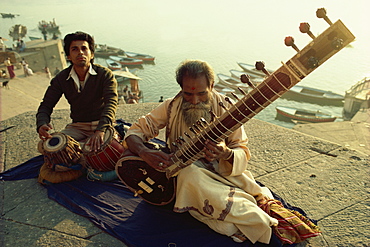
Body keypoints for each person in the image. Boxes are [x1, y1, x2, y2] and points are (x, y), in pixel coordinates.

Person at [123, 59, 320, 244]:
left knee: (199, 186)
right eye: (188, 94)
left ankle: (254, 221)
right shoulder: (172, 106)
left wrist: (225, 153)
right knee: (189, 174)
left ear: (212, 86)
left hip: (219, 174)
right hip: (182, 175)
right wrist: (142, 151)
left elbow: (241, 150)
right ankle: (253, 222)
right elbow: (136, 131)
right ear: (181, 89)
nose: (194, 100)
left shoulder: (228, 110)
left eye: (201, 93)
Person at [36, 31, 118, 153]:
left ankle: (80, 148)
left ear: (91, 54)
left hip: (102, 124)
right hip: (78, 127)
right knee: (45, 146)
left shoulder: (105, 75)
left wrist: (100, 130)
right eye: (75, 49)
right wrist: (42, 123)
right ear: (68, 56)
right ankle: (82, 147)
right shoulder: (61, 79)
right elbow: (46, 105)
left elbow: (111, 103)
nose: (80, 52)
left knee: (109, 148)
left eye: (84, 49)